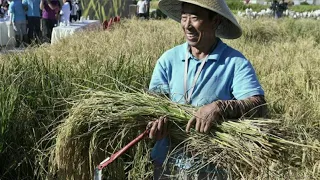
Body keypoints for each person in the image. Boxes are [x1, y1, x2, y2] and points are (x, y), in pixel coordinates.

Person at [148, 0, 268, 179]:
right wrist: (153, 123)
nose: (187, 25)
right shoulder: (168, 60)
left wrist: (220, 107)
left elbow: (259, 105)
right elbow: (153, 103)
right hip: (167, 164)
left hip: (212, 168)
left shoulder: (234, 63)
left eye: (195, 18)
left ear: (216, 21)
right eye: (184, 17)